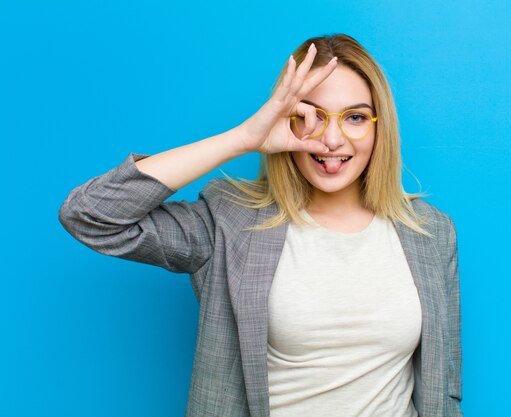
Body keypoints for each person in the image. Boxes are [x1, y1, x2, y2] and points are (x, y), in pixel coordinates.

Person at [58, 33, 463, 417]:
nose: (333, 139)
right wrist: (244, 137)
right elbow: (91, 217)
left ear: (379, 127)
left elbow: (445, 387)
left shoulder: (430, 231)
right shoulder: (229, 222)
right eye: (313, 116)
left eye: (355, 117)